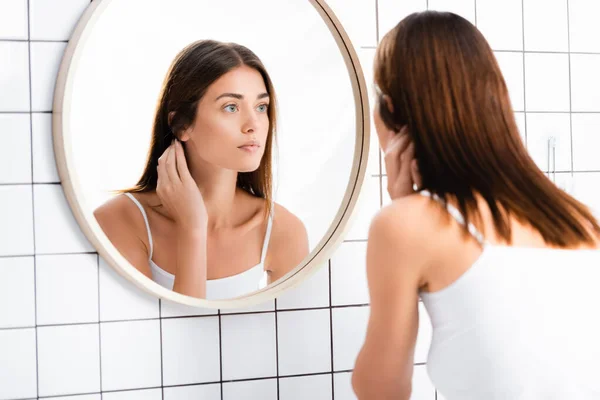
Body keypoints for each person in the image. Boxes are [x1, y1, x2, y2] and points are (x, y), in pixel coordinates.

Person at [352, 11, 600, 400]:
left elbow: (381, 391)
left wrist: (406, 212)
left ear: (392, 110)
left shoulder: (403, 227)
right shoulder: (581, 219)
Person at [95, 40, 309, 299]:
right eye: (231, 107)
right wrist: (192, 228)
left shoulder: (283, 230)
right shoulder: (120, 222)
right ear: (181, 125)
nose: (254, 124)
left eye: (261, 107)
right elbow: (173, 334)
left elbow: (293, 331)